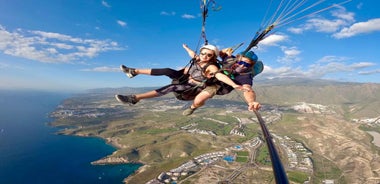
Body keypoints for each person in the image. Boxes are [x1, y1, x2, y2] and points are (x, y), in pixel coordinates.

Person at [115, 44, 244, 113]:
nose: (204, 56)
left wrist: (233, 84)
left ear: (213, 57)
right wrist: (186, 48)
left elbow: (219, 75)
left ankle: (134, 99)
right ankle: (134, 71)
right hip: (185, 78)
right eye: (203, 53)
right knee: (167, 70)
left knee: (172, 87)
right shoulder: (199, 59)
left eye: (208, 55)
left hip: (191, 88)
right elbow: (193, 54)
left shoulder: (211, 67)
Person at [182, 48, 261, 115]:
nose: (242, 66)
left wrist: (251, 101)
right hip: (212, 77)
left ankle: (193, 107)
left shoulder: (245, 76)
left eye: (247, 65)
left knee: (199, 99)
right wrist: (226, 50)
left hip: (219, 86)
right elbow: (221, 53)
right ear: (236, 60)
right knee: (189, 69)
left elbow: (247, 89)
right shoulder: (229, 60)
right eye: (241, 62)